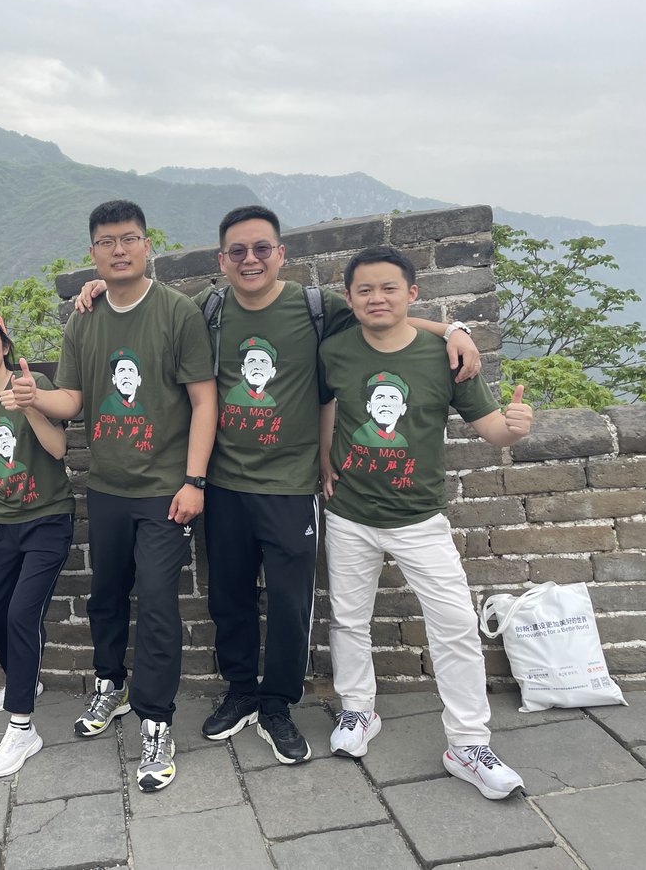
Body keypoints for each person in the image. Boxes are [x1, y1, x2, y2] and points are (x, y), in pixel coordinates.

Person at [76, 205, 481, 766]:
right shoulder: (207, 310)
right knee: (229, 596)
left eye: (261, 249)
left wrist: (455, 328)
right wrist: (102, 285)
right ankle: (240, 690)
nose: (250, 260)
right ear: (221, 260)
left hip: (291, 484)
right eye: (237, 251)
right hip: (222, 482)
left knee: (292, 604)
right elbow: (144, 309)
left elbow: (388, 319)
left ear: (280, 255)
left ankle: (277, 705)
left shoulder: (317, 308)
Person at [11, 199, 217, 793]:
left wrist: (194, 480)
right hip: (106, 486)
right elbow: (72, 400)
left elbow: (205, 400)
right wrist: (34, 398)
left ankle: (157, 721)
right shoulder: (84, 319)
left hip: (164, 490)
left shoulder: (176, 313)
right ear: (93, 252)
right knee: (105, 595)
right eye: (106, 242)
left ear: (147, 245)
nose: (119, 250)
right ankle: (112, 685)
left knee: (155, 603)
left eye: (129, 239)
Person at [319, 245, 532, 800]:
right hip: (348, 514)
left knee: (457, 626)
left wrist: (516, 426)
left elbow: (492, 431)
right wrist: (324, 457)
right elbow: (324, 406)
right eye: (364, 289)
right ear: (349, 298)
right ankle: (358, 712)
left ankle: (466, 743)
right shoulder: (335, 349)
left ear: (413, 294)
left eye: (389, 287)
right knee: (347, 620)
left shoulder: (446, 356)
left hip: (419, 518)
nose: (376, 298)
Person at [0, 308, 75, 777]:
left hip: (48, 519)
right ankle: (25, 680)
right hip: (3, 523)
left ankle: (23, 728)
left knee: (24, 613)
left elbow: (59, 450)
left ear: (5, 346)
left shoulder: (31, 385)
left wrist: (29, 404)